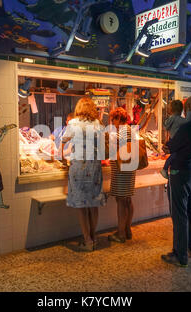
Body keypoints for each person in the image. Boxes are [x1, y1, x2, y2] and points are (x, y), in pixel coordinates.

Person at [161, 96, 191, 267]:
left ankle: (180, 254)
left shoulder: (188, 128)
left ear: (188, 107)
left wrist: (167, 146)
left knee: (179, 213)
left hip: (179, 172)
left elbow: (169, 147)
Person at [61, 97, 106, 252]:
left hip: (78, 167)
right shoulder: (98, 124)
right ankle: (93, 237)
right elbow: (103, 147)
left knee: (81, 204)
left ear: (79, 108)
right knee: (93, 203)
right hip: (94, 166)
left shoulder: (73, 123)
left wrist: (62, 157)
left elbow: (63, 141)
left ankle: (87, 240)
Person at [107, 107, 136, 243]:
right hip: (129, 169)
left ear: (118, 118)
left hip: (121, 170)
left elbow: (112, 149)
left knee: (121, 200)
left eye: (113, 120)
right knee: (127, 200)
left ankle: (120, 233)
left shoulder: (120, 132)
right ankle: (127, 229)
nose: (112, 123)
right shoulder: (130, 130)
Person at [161, 100, 191, 179]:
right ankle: (165, 168)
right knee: (175, 154)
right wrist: (189, 111)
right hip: (177, 140)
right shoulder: (177, 119)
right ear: (180, 110)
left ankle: (166, 169)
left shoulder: (171, 118)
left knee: (174, 154)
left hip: (173, 139)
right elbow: (188, 121)